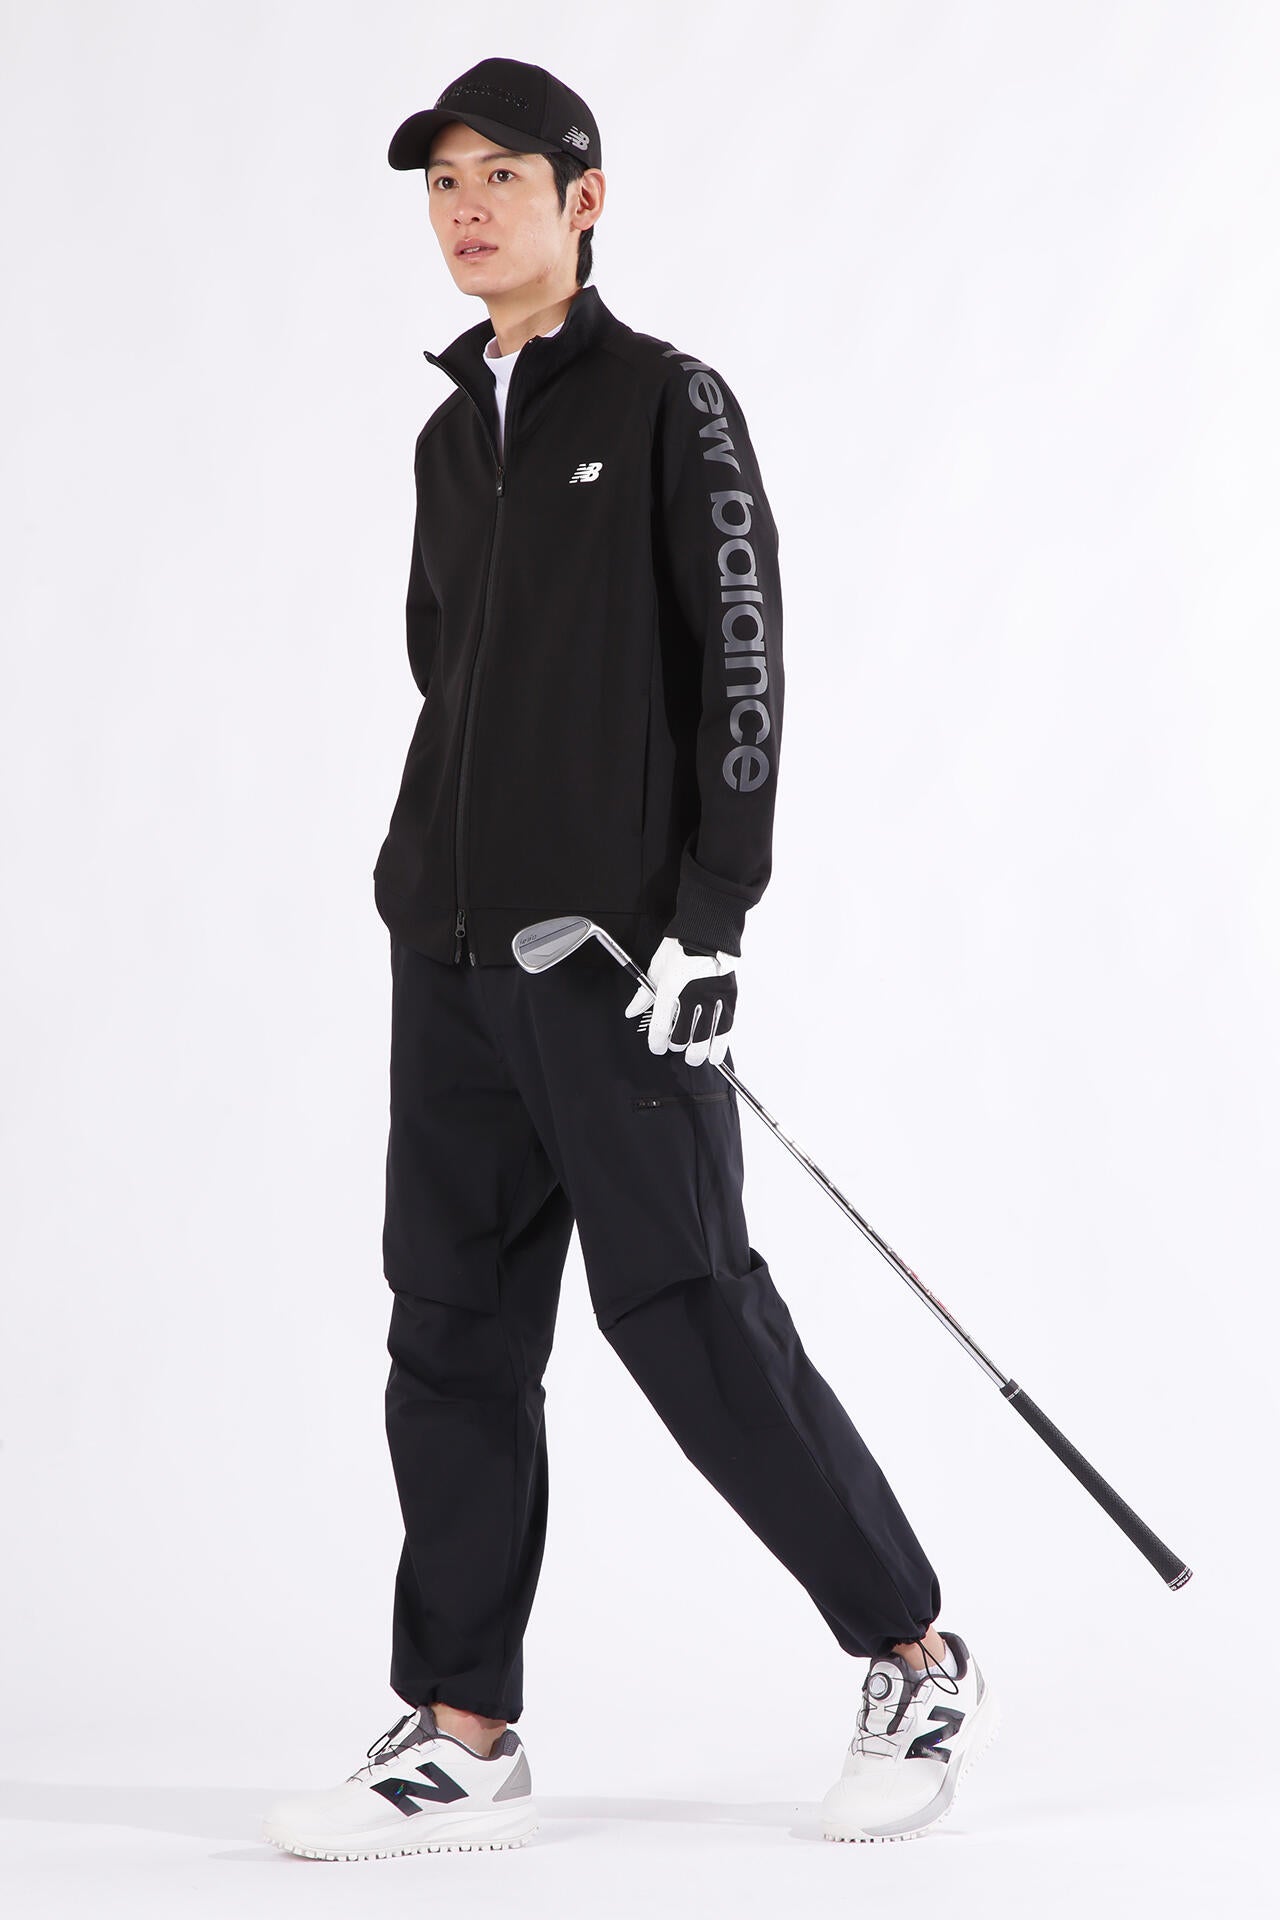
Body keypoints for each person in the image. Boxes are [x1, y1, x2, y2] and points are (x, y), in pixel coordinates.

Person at [261, 55, 999, 1864]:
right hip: (447, 958)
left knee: (686, 1313)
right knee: (450, 1335)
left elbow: (740, 663)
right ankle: (460, 1730)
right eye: (442, 184)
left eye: (500, 177)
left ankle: (912, 1653)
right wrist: (421, 883)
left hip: (610, 964)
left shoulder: (672, 403)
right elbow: (448, 677)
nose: (466, 210)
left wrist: (711, 917)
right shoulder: (450, 438)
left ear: (583, 199)